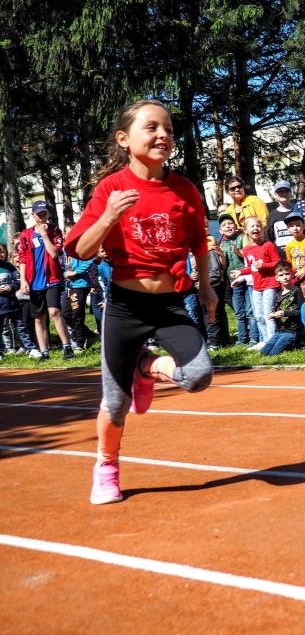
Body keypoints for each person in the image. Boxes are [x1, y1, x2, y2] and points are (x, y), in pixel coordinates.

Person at [64, 99, 214, 504]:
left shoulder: (184, 189)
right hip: (125, 307)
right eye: (151, 127)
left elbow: (199, 242)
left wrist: (205, 286)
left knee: (199, 375)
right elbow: (80, 250)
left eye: (168, 129)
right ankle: (106, 467)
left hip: (169, 306)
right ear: (124, 139)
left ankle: (146, 367)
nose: (163, 135)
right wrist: (108, 216)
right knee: (116, 403)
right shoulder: (111, 189)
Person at [17, 201, 74, 360]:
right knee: (38, 318)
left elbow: (54, 253)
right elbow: (22, 258)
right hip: (34, 281)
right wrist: (23, 281)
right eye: (39, 214)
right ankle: (44, 352)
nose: (42, 217)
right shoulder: (26, 235)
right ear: (33, 215)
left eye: (44, 214)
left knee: (54, 311)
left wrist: (44, 234)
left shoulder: (55, 231)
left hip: (52, 279)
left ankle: (67, 347)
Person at [238, 216, 281, 350]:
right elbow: (252, 268)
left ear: (262, 229)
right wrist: (240, 272)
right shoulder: (246, 250)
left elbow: (277, 263)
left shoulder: (268, 245)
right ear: (245, 230)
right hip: (256, 286)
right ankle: (265, 340)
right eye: (252, 226)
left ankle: (271, 341)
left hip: (270, 284)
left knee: (268, 314)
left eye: (258, 226)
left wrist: (264, 266)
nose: (256, 228)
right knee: (258, 315)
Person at [220, 214, 257, 347]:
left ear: (236, 226)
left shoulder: (242, 238)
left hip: (246, 280)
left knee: (250, 311)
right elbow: (224, 266)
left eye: (230, 223)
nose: (228, 226)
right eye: (224, 225)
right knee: (239, 312)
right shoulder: (223, 244)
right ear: (220, 231)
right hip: (233, 282)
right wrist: (221, 256)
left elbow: (248, 256)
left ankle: (253, 337)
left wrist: (237, 252)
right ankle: (242, 339)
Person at [261, 261, 305, 356]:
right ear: (277, 278)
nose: (285, 277)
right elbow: (278, 310)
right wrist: (273, 314)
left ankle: (296, 344)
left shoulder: (297, 291)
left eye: (287, 274)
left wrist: (286, 313)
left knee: (273, 354)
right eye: (281, 275)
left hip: (292, 331)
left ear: (292, 274)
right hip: (280, 331)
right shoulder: (278, 294)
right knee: (264, 352)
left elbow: (304, 312)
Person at [62, 241, 97, 351]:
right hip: (69, 286)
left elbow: (89, 260)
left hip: (80, 285)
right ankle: (90, 335)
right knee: (65, 314)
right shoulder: (64, 250)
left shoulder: (81, 247)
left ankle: (80, 343)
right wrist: (65, 273)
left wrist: (75, 272)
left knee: (77, 315)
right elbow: (62, 266)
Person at [0, 245, 34, 355]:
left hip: (12, 303)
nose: (0, 254)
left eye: (2, 252)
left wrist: (11, 286)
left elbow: (18, 281)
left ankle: (31, 348)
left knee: (21, 327)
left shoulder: (9, 266)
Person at [267, 180, 296, 255]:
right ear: (275, 194)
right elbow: (269, 238)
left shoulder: (298, 209)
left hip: (298, 254)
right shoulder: (272, 215)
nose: (283, 193)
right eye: (280, 191)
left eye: (286, 191)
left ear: (290, 193)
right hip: (279, 256)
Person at [283, 211, 305, 280]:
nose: (295, 228)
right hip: (296, 277)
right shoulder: (289, 245)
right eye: (291, 226)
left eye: (298, 225)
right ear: (288, 228)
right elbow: (289, 262)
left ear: (303, 226)